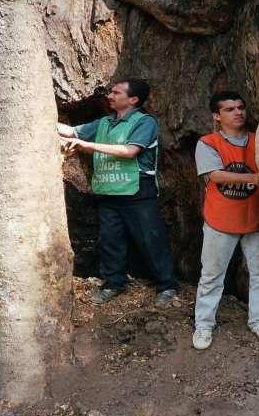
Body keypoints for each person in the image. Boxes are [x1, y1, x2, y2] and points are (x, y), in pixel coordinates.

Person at [58, 77, 178, 305]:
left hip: (137, 192)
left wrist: (88, 146)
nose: (110, 96)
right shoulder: (104, 123)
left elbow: (130, 151)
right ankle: (113, 284)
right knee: (111, 241)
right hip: (109, 192)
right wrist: (42, 123)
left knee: (151, 240)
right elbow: (73, 132)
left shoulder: (145, 122)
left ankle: (167, 285)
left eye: (116, 93)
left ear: (133, 99)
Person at [192, 91, 259, 350]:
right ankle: (204, 325)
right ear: (217, 117)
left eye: (240, 107)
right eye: (229, 109)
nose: (238, 112)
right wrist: (253, 179)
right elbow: (215, 175)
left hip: (256, 218)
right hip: (221, 220)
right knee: (211, 275)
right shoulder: (207, 143)